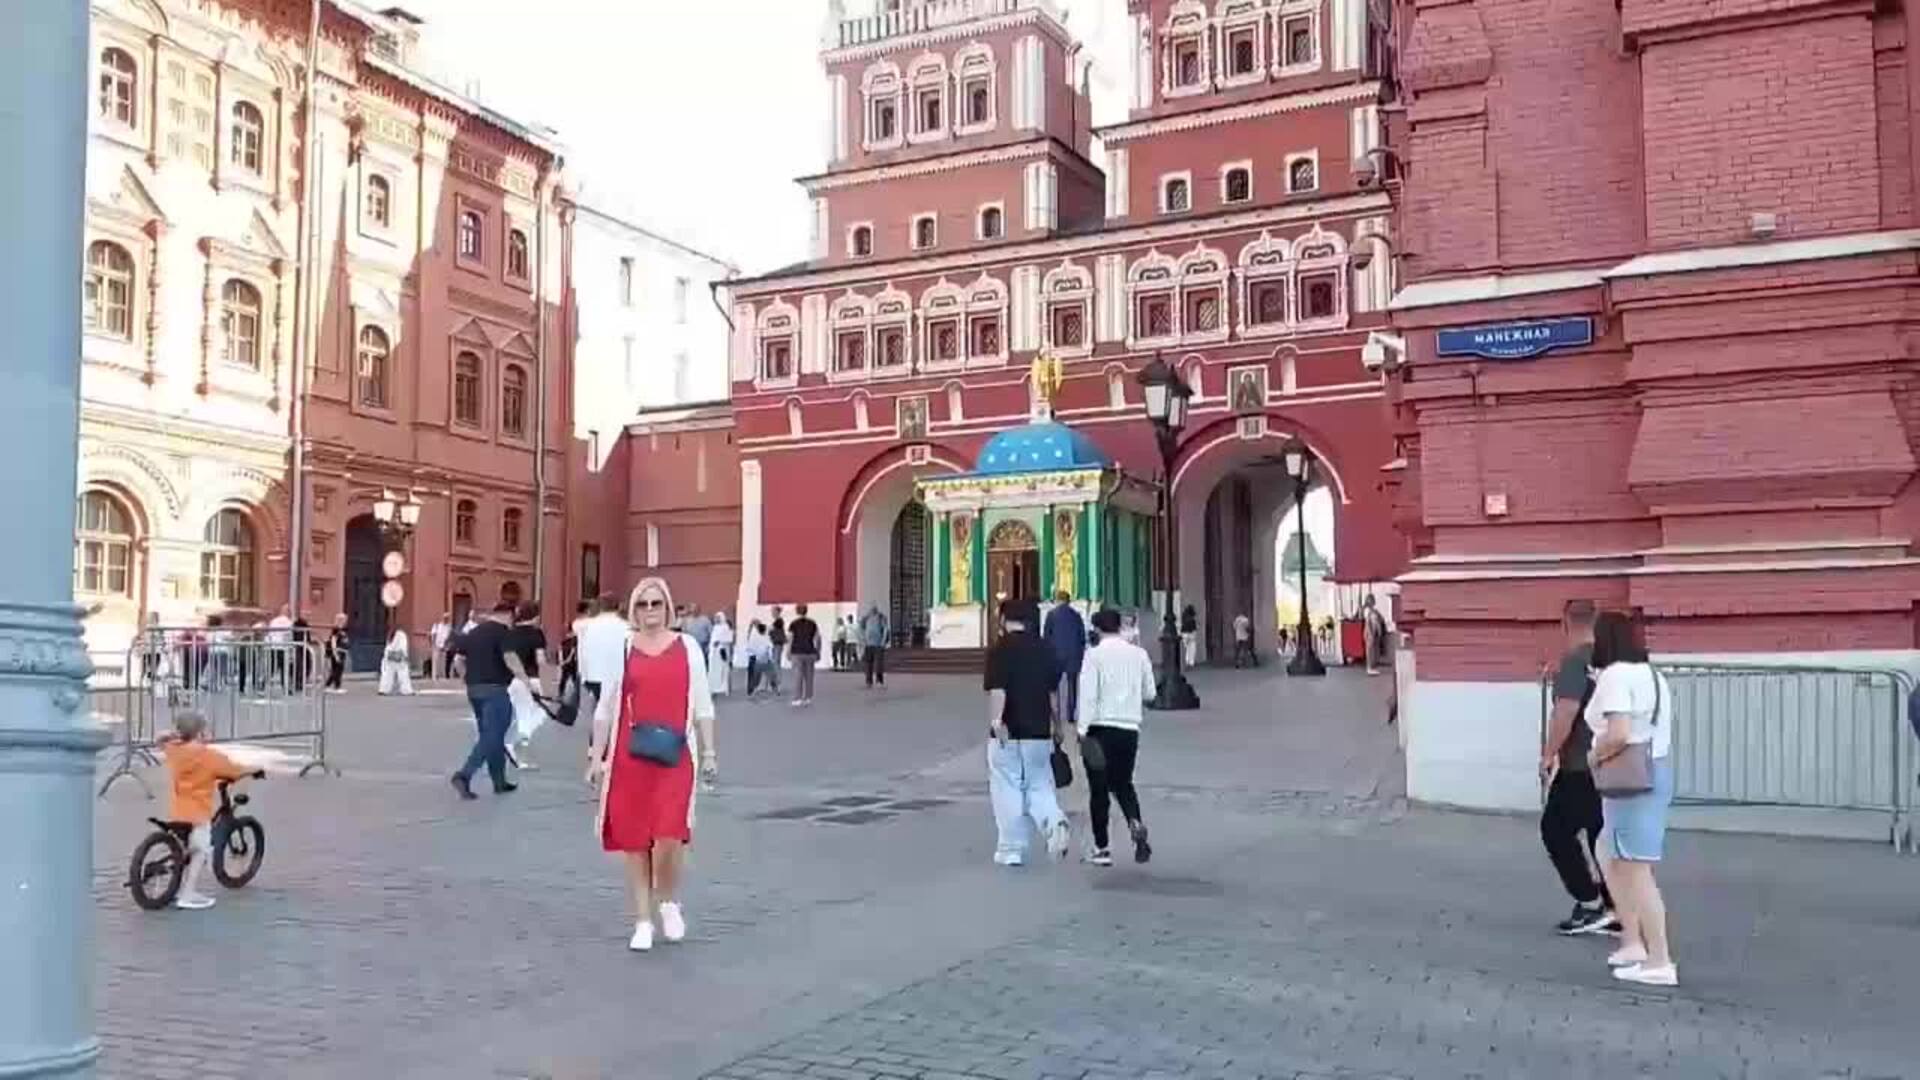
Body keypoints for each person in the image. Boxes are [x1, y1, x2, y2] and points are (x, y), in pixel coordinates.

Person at [585, 577, 718, 952]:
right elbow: (604, 709)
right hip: (630, 758)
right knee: (634, 840)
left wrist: (710, 752)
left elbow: (704, 705)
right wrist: (596, 757)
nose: (649, 611)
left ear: (668, 607)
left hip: (676, 755)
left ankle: (667, 898)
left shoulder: (688, 647)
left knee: (669, 835)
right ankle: (643, 920)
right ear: (633, 611)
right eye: (642, 605)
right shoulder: (624, 649)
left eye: (656, 603)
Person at [1587, 610, 1678, 987]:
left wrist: (1595, 756)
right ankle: (1634, 943)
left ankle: (1659, 960)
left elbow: (1619, 732)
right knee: (1610, 851)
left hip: (1631, 779)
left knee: (1635, 868)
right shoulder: (1652, 675)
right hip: (1654, 771)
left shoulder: (1615, 676)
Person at [1541, 600, 1615, 937]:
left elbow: (1566, 712)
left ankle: (1589, 902)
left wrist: (1548, 755)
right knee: (1601, 836)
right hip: (1610, 762)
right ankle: (1616, 908)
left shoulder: (1574, 663)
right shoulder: (1610, 661)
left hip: (1579, 767)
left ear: (1565, 625)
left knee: (1555, 830)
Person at [982, 598, 1071, 867]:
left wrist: (997, 721)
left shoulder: (1000, 650)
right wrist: (1058, 726)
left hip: (1009, 731)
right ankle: (1053, 821)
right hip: (1039, 730)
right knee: (1040, 784)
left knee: (1007, 786)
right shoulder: (1046, 650)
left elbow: (999, 690)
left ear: (1003, 620)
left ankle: (1011, 848)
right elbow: (1053, 695)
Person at [1077, 607, 1158, 866]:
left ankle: (1102, 848)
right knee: (1123, 783)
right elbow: (1150, 693)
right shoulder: (1139, 654)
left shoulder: (1093, 656)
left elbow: (1089, 695)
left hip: (1099, 730)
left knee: (1099, 790)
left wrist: (1081, 729)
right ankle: (1135, 821)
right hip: (1129, 729)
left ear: (1097, 629)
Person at [160, 710, 255, 910]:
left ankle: (174, 883)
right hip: (198, 815)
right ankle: (188, 894)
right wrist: (254, 770)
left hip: (177, 811)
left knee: (186, 846)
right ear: (201, 733)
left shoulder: (174, 749)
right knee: (201, 851)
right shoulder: (209, 756)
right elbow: (234, 771)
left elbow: (160, 740)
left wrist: (173, 735)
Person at [447, 602, 532, 800]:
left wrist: (467, 678)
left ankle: (499, 781)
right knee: (492, 736)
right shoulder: (503, 633)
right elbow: (510, 657)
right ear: (509, 615)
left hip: (474, 690)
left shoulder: (474, 632)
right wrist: (525, 680)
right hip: (495, 690)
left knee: (492, 735)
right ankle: (464, 775)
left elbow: (458, 660)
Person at [577, 593, 629, 744]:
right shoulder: (626, 627)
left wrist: (583, 673)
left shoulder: (587, 626)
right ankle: (610, 742)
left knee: (597, 708)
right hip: (617, 674)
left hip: (593, 674)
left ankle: (595, 742)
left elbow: (582, 650)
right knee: (614, 711)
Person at [507, 601, 550, 769]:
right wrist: (546, 681)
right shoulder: (536, 634)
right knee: (537, 714)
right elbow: (541, 660)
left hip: (512, 679)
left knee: (521, 714)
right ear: (535, 616)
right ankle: (516, 750)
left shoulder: (510, 633)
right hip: (531, 678)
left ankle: (514, 746)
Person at [1042, 592, 1086, 730]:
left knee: (1053, 685)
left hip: (1056, 654)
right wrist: (1080, 653)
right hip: (1073, 654)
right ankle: (1070, 714)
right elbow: (1082, 637)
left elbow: (1046, 636)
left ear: (1057, 600)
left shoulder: (1051, 615)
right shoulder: (1076, 615)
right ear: (1068, 601)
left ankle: (1055, 713)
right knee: (1072, 685)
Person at [787, 603, 820, 706]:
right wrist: (818, 651)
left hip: (797, 652)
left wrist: (788, 651)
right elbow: (817, 638)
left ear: (797, 611)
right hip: (810, 652)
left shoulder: (793, 624)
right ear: (806, 611)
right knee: (809, 676)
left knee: (798, 676)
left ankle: (797, 698)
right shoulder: (812, 623)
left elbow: (790, 639)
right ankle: (808, 697)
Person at [378, 626, 415, 696]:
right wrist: (404, 657)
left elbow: (389, 647)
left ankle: (384, 689)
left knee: (388, 674)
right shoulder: (401, 635)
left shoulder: (394, 636)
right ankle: (406, 690)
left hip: (391, 657)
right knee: (403, 674)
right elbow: (403, 648)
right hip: (398, 657)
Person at [741, 621, 773, 697]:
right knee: (758, 674)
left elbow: (748, 648)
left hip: (753, 657)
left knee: (751, 674)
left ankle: (750, 690)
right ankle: (755, 688)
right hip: (761, 658)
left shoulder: (753, 637)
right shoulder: (766, 638)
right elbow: (769, 648)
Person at [860, 605, 889, 688]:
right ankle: (869, 681)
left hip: (878, 644)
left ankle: (879, 680)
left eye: (874, 609)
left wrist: (883, 641)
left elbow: (885, 629)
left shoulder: (880, 617)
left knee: (879, 664)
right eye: (871, 609)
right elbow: (861, 628)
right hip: (868, 644)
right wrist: (863, 640)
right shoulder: (866, 618)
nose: (872, 611)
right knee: (868, 664)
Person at [1363, 594, 1391, 676]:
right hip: (1370, 633)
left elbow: (1378, 621)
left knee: (1373, 650)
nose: (1374, 602)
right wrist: (1373, 633)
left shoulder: (1373, 611)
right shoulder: (1369, 611)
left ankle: (1372, 667)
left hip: (1372, 632)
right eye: (1372, 600)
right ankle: (1370, 667)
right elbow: (1371, 623)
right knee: (1370, 650)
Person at [707, 612, 734, 697]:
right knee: (713, 670)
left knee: (723, 670)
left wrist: (719, 642)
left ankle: (724, 688)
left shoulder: (725, 627)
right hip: (714, 653)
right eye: (716, 617)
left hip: (722, 652)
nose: (716, 619)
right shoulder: (715, 627)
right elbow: (712, 639)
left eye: (718, 618)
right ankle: (713, 688)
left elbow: (729, 639)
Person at [267, 605, 294, 688]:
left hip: (273, 646)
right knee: (284, 668)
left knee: (272, 667)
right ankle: (285, 685)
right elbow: (289, 636)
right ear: (287, 612)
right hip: (283, 647)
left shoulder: (273, 621)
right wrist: (291, 648)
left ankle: (264, 683)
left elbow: (270, 633)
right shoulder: (289, 622)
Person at [324, 614, 350, 693]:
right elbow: (333, 642)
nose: (346, 621)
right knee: (337, 670)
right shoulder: (336, 630)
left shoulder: (343, 630)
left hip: (342, 651)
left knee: (337, 670)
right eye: (344, 620)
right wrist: (335, 654)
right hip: (337, 652)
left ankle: (330, 685)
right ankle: (335, 686)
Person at [766, 606, 787, 695]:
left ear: (777, 612)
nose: (772, 613)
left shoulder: (779, 621)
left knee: (775, 664)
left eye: (773, 612)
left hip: (778, 644)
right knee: (775, 663)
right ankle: (775, 684)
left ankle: (777, 684)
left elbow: (770, 629)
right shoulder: (777, 621)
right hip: (775, 644)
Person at [429, 612, 453, 682]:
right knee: (436, 661)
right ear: (442, 618)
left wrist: (447, 645)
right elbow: (433, 635)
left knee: (442, 662)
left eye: (447, 618)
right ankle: (434, 676)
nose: (446, 619)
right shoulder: (437, 625)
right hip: (437, 645)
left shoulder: (449, 627)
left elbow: (449, 637)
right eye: (445, 618)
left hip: (444, 646)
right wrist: (433, 645)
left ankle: (441, 676)